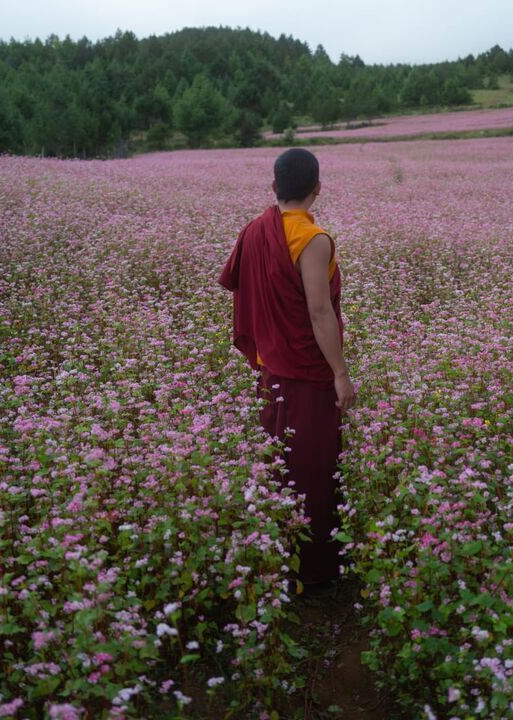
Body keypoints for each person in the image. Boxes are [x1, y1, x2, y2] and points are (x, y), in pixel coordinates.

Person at [218, 148, 357, 591]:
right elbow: (319, 313)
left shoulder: (255, 231)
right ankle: (315, 573)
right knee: (313, 469)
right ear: (318, 187)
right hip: (308, 375)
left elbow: (242, 289)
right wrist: (340, 372)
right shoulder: (312, 239)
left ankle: (278, 559)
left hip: (273, 368)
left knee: (280, 462)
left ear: (274, 186)